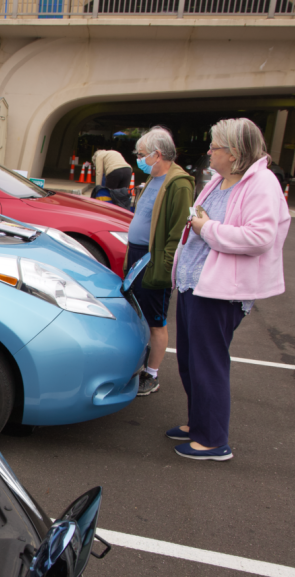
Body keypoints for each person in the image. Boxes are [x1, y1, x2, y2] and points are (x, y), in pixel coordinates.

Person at [168, 118, 289, 461]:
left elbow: (259, 238)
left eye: (214, 147)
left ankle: (212, 440)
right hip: (196, 283)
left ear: (234, 153)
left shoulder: (261, 183)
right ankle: (198, 424)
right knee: (192, 361)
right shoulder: (220, 181)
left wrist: (208, 228)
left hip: (221, 290)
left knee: (209, 363)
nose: (209, 152)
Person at [124, 128, 194, 396]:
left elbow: (177, 232)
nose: (139, 159)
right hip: (138, 257)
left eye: (142, 154)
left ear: (158, 154)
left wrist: (164, 270)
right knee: (139, 312)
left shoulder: (178, 184)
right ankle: (141, 367)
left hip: (153, 261)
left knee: (156, 319)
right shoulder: (153, 178)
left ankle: (151, 375)